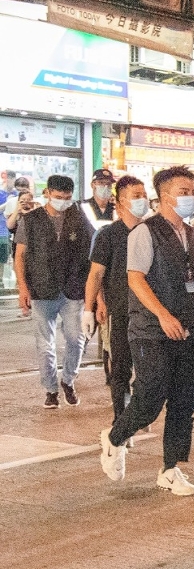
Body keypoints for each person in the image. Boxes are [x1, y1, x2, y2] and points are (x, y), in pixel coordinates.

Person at [99, 166, 194, 495]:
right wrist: (162, 315)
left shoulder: (191, 234)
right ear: (164, 196)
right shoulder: (144, 232)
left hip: (185, 329)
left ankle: (170, 468)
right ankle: (114, 438)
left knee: (186, 398)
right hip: (151, 330)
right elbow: (135, 278)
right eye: (183, 191)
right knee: (150, 396)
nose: (190, 197)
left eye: (193, 191)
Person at [14, 174, 92, 409]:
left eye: (68, 197)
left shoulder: (79, 216)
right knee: (45, 343)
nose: (63, 202)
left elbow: (91, 253)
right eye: (59, 197)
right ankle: (50, 390)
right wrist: (23, 288)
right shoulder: (31, 220)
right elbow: (20, 256)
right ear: (47, 193)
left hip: (73, 289)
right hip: (41, 289)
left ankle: (68, 380)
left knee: (76, 339)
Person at [83, 175, 149, 420]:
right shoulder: (108, 235)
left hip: (151, 312)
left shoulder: (153, 232)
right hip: (120, 311)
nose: (142, 200)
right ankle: (121, 418)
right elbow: (96, 274)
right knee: (120, 367)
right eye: (136, 196)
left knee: (149, 368)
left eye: (144, 195)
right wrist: (90, 308)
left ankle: (140, 411)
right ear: (120, 202)